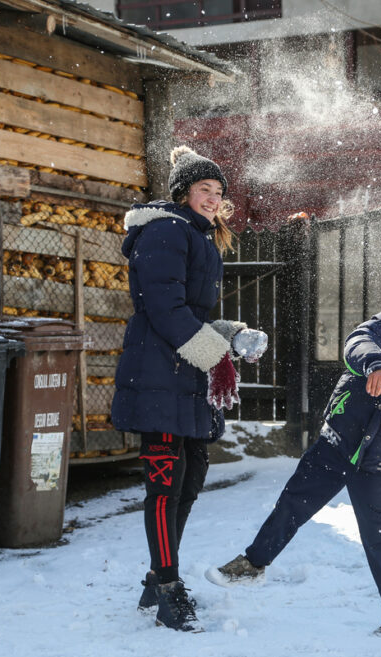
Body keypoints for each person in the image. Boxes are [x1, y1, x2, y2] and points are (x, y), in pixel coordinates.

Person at [205, 270, 381, 636]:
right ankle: (253, 564)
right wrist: (375, 363)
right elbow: (357, 342)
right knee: (293, 502)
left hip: (378, 459)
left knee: (378, 533)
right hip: (337, 441)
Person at [111, 146, 269, 631]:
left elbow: (190, 313)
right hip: (159, 373)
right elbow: (163, 308)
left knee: (191, 475)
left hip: (185, 374)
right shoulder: (166, 231)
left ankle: (156, 576)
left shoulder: (196, 235)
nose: (213, 198)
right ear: (183, 192)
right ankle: (167, 586)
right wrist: (213, 352)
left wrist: (230, 336)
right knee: (165, 484)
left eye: (219, 191)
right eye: (205, 189)